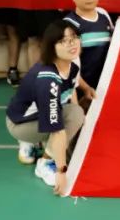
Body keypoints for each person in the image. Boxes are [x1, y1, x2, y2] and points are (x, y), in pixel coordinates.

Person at [5, 20, 84, 195]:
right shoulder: (47, 80)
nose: (71, 44)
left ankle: (34, 142)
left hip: (36, 115)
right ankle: (45, 163)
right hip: (20, 124)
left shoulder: (72, 61)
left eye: (73, 37)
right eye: (63, 41)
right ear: (51, 47)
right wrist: (61, 170)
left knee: (76, 116)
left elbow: (71, 90)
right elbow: (58, 129)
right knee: (75, 116)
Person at [62, 0, 112, 110]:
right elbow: (68, 66)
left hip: (104, 87)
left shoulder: (103, 14)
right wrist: (85, 88)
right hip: (80, 91)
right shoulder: (68, 24)